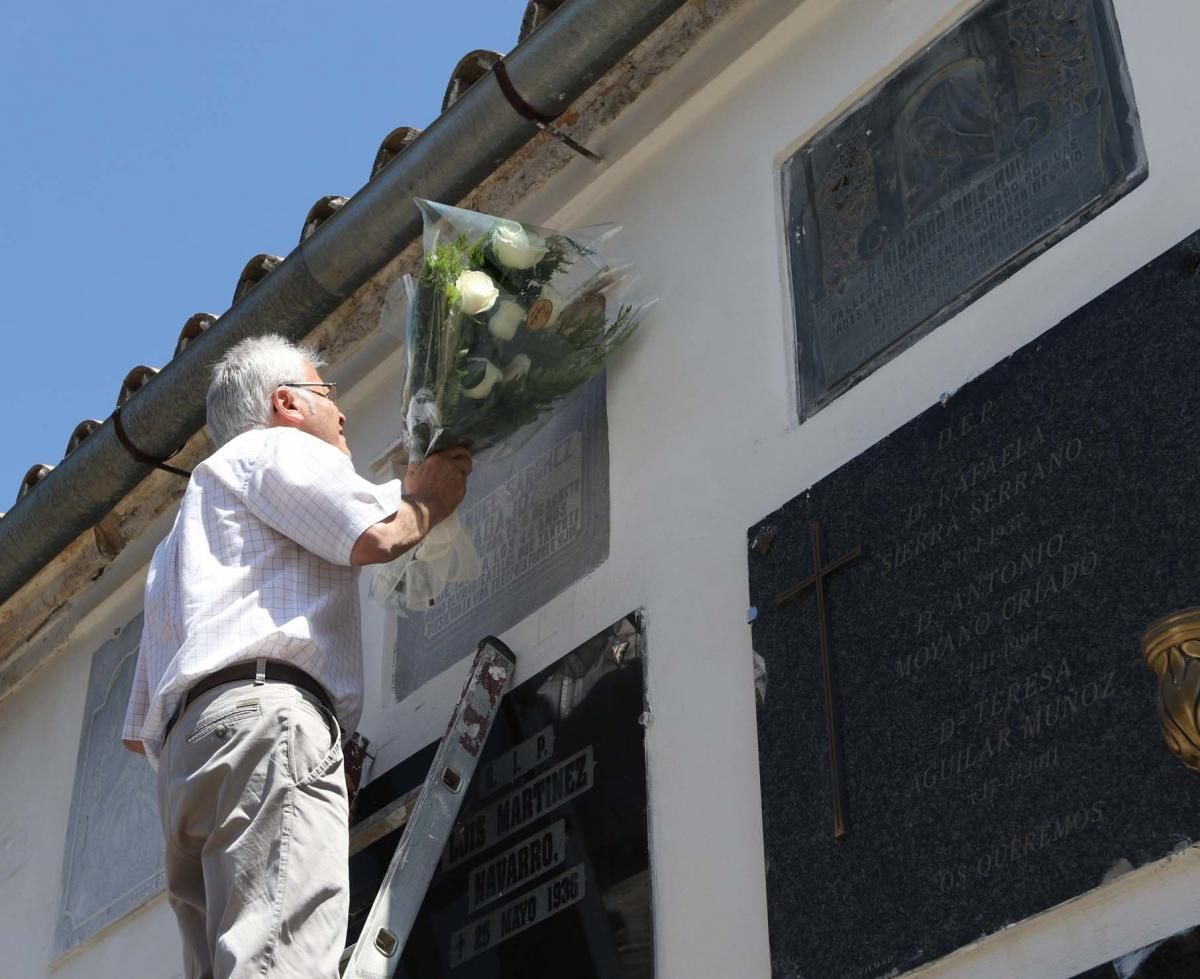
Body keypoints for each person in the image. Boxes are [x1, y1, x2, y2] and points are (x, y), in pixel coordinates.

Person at [121, 334, 472, 979]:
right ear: (286, 402)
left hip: (183, 768)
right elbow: (377, 532)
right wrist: (431, 497)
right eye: (327, 395)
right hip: (263, 720)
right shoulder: (272, 448)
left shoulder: (178, 542)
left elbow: (136, 737)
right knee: (281, 964)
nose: (341, 415)